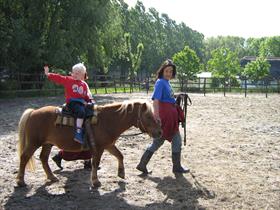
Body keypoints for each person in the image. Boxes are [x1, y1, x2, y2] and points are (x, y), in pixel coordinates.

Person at [136, 59, 190, 174]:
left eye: (170, 71)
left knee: (166, 141)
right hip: (165, 118)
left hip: (170, 117)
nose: (168, 73)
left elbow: (168, 97)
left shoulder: (167, 82)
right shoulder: (160, 82)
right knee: (164, 141)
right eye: (166, 71)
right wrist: (156, 116)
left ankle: (143, 164)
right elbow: (156, 100)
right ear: (162, 71)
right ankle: (176, 167)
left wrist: (178, 95)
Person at [44, 63, 94, 144]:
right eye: (73, 72)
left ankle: (89, 133)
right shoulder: (69, 80)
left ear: (82, 75)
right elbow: (59, 78)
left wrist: (90, 101)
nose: (74, 74)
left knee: (91, 112)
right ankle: (78, 132)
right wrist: (48, 74)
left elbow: (86, 95)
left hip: (81, 103)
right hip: (72, 102)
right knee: (81, 112)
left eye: (77, 73)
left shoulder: (84, 84)